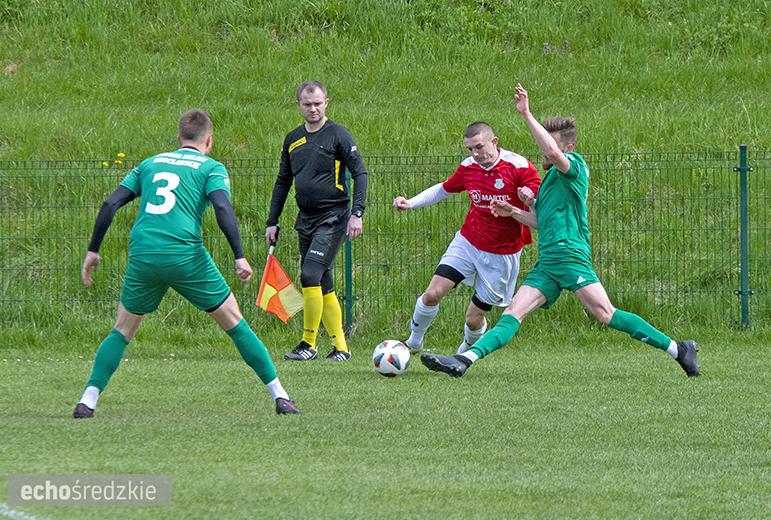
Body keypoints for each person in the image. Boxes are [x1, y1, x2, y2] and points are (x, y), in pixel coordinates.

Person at [420, 84, 700, 378]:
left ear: (567, 149)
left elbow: (552, 151)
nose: (544, 151)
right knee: (512, 314)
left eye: (550, 146)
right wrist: (515, 210)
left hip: (570, 255)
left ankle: (679, 350)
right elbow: (543, 224)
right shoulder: (552, 178)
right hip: (549, 260)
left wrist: (526, 113)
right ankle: (463, 361)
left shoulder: (575, 166)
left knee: (606, 314)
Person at [73, 109, 301, 418]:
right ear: (209, 140)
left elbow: (111, 202)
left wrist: (93, 250)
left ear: (179, 139)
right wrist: (239, 255)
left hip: (144, 253)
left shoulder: (150, 163)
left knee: (122, 330)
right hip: (185, 254)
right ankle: (280, 396)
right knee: (235, 323)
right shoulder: (211, 167)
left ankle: (88, 400)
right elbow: (221, 205)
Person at [393, 122, 540, 355]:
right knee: (432, 294)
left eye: (479, 147)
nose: (474, 154)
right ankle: (413, 342)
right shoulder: (468, 167)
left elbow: (542, 208)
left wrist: (530, 197)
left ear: (495, 142)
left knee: (473, 319)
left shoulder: (519, 166)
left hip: (503, 254)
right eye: (470, 149)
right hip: (468, 241)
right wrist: (410, 202)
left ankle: (463, 355)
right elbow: (444, 189)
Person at [265, 81, 368, 362]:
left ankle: (308, 344)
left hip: (334, 217)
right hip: (305, 219)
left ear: (327, 103)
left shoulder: (338, 135)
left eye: (318, 103)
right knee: (323, 281)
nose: (313, 109)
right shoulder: (293, 139)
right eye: (307, 104)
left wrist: (357, 213)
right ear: (298, 105)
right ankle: (342, 349)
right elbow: (283, 181)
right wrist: (271, 221)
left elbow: (360, 173)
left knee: (309, 274)